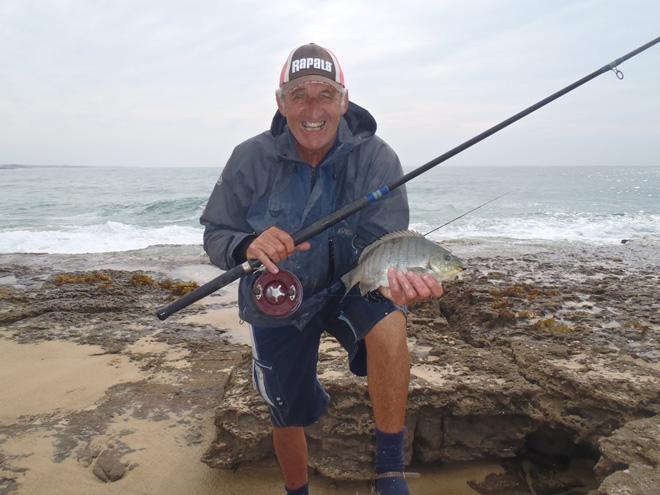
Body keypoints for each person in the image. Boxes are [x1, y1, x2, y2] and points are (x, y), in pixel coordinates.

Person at [200, 43, 444, 495]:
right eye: (299, 95)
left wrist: (398, 286)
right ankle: (298, 490)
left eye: (325, 95)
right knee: (286, 408)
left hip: (354, 283)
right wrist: (245, 246)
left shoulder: (377, 159)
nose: (313, 109)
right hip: (278, 295)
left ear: (344, 101)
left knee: (391, 326)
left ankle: (389, 476)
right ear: (281, 102)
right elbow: (215, 232)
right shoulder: (249, 158)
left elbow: (387, 246)